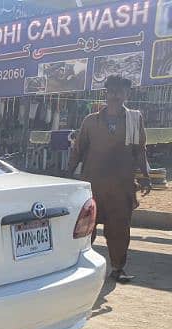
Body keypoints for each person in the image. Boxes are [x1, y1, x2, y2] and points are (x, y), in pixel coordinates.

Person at [68, 75, 151, 283]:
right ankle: (81, 267)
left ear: (126, 94)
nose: (115, 95)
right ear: (106, 93)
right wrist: (68, 176)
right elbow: (78, 150)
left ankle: (117, 268)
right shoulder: (90, 121)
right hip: (93, 186)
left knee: (119, 230)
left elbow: (140, 150)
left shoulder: (134, 119)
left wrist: (146, 176)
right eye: (112, 91)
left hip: (121, 187)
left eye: (120, 91)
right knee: (86, 229)